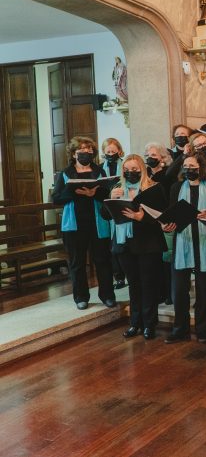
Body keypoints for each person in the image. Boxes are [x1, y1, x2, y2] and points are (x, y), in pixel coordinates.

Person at [163, 153, 206, 344]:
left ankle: (202, 329)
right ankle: (180, 328)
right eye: (186, 166)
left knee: (204, 291)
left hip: (205, 242)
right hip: (183, 242)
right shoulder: (176, 187)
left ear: (201, 168)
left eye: (192, 166)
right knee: (179, 290)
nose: (188, 169)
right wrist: (168, 224)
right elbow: (172, 213)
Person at [104, 154, 167, 340]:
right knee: (134, 285)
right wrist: (110, 197)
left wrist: (142, 217)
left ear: (142, 169)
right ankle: (134, 323)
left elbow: (162, 216)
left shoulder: (154, 188)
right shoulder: (117, 187)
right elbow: (105, 215)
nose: (130, 173)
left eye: (134, 169)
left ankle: (149, 325)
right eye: (127, 170)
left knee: (148, 285)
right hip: (124, 244)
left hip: (148, 244)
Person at [52, 137, 115, 310]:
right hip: (74, 225)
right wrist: (75, 192)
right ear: (73, 154)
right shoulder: (65, 173)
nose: (86, 153)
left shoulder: (99, 171)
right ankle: (81, 297)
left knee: (102, 260)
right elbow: (56, 199)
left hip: (97, 222)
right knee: (77, 262)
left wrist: (93, 194)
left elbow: (107, 195)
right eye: (81, 150)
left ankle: (107, 295)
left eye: (89, 150)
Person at [144, 142, 175, 305]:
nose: (149, 158)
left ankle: (169, 293)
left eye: (153, 155)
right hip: (149, 221)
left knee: (166, 259)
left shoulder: (167, 175)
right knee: (154, 260)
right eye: (147, 155)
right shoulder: (144, 175)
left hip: (165, 219)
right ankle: (158, 292)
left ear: (163, 158)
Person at [101, 138, 126, 291]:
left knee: (122, 243)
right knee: (112, 246)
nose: (111, 154)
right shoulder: (100, 168)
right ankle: (118, 276)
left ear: (119, 150)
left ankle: (127, 272)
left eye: (113, 151)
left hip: (122, 204)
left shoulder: (125, 164)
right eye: (108, 152)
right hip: (107, 207)